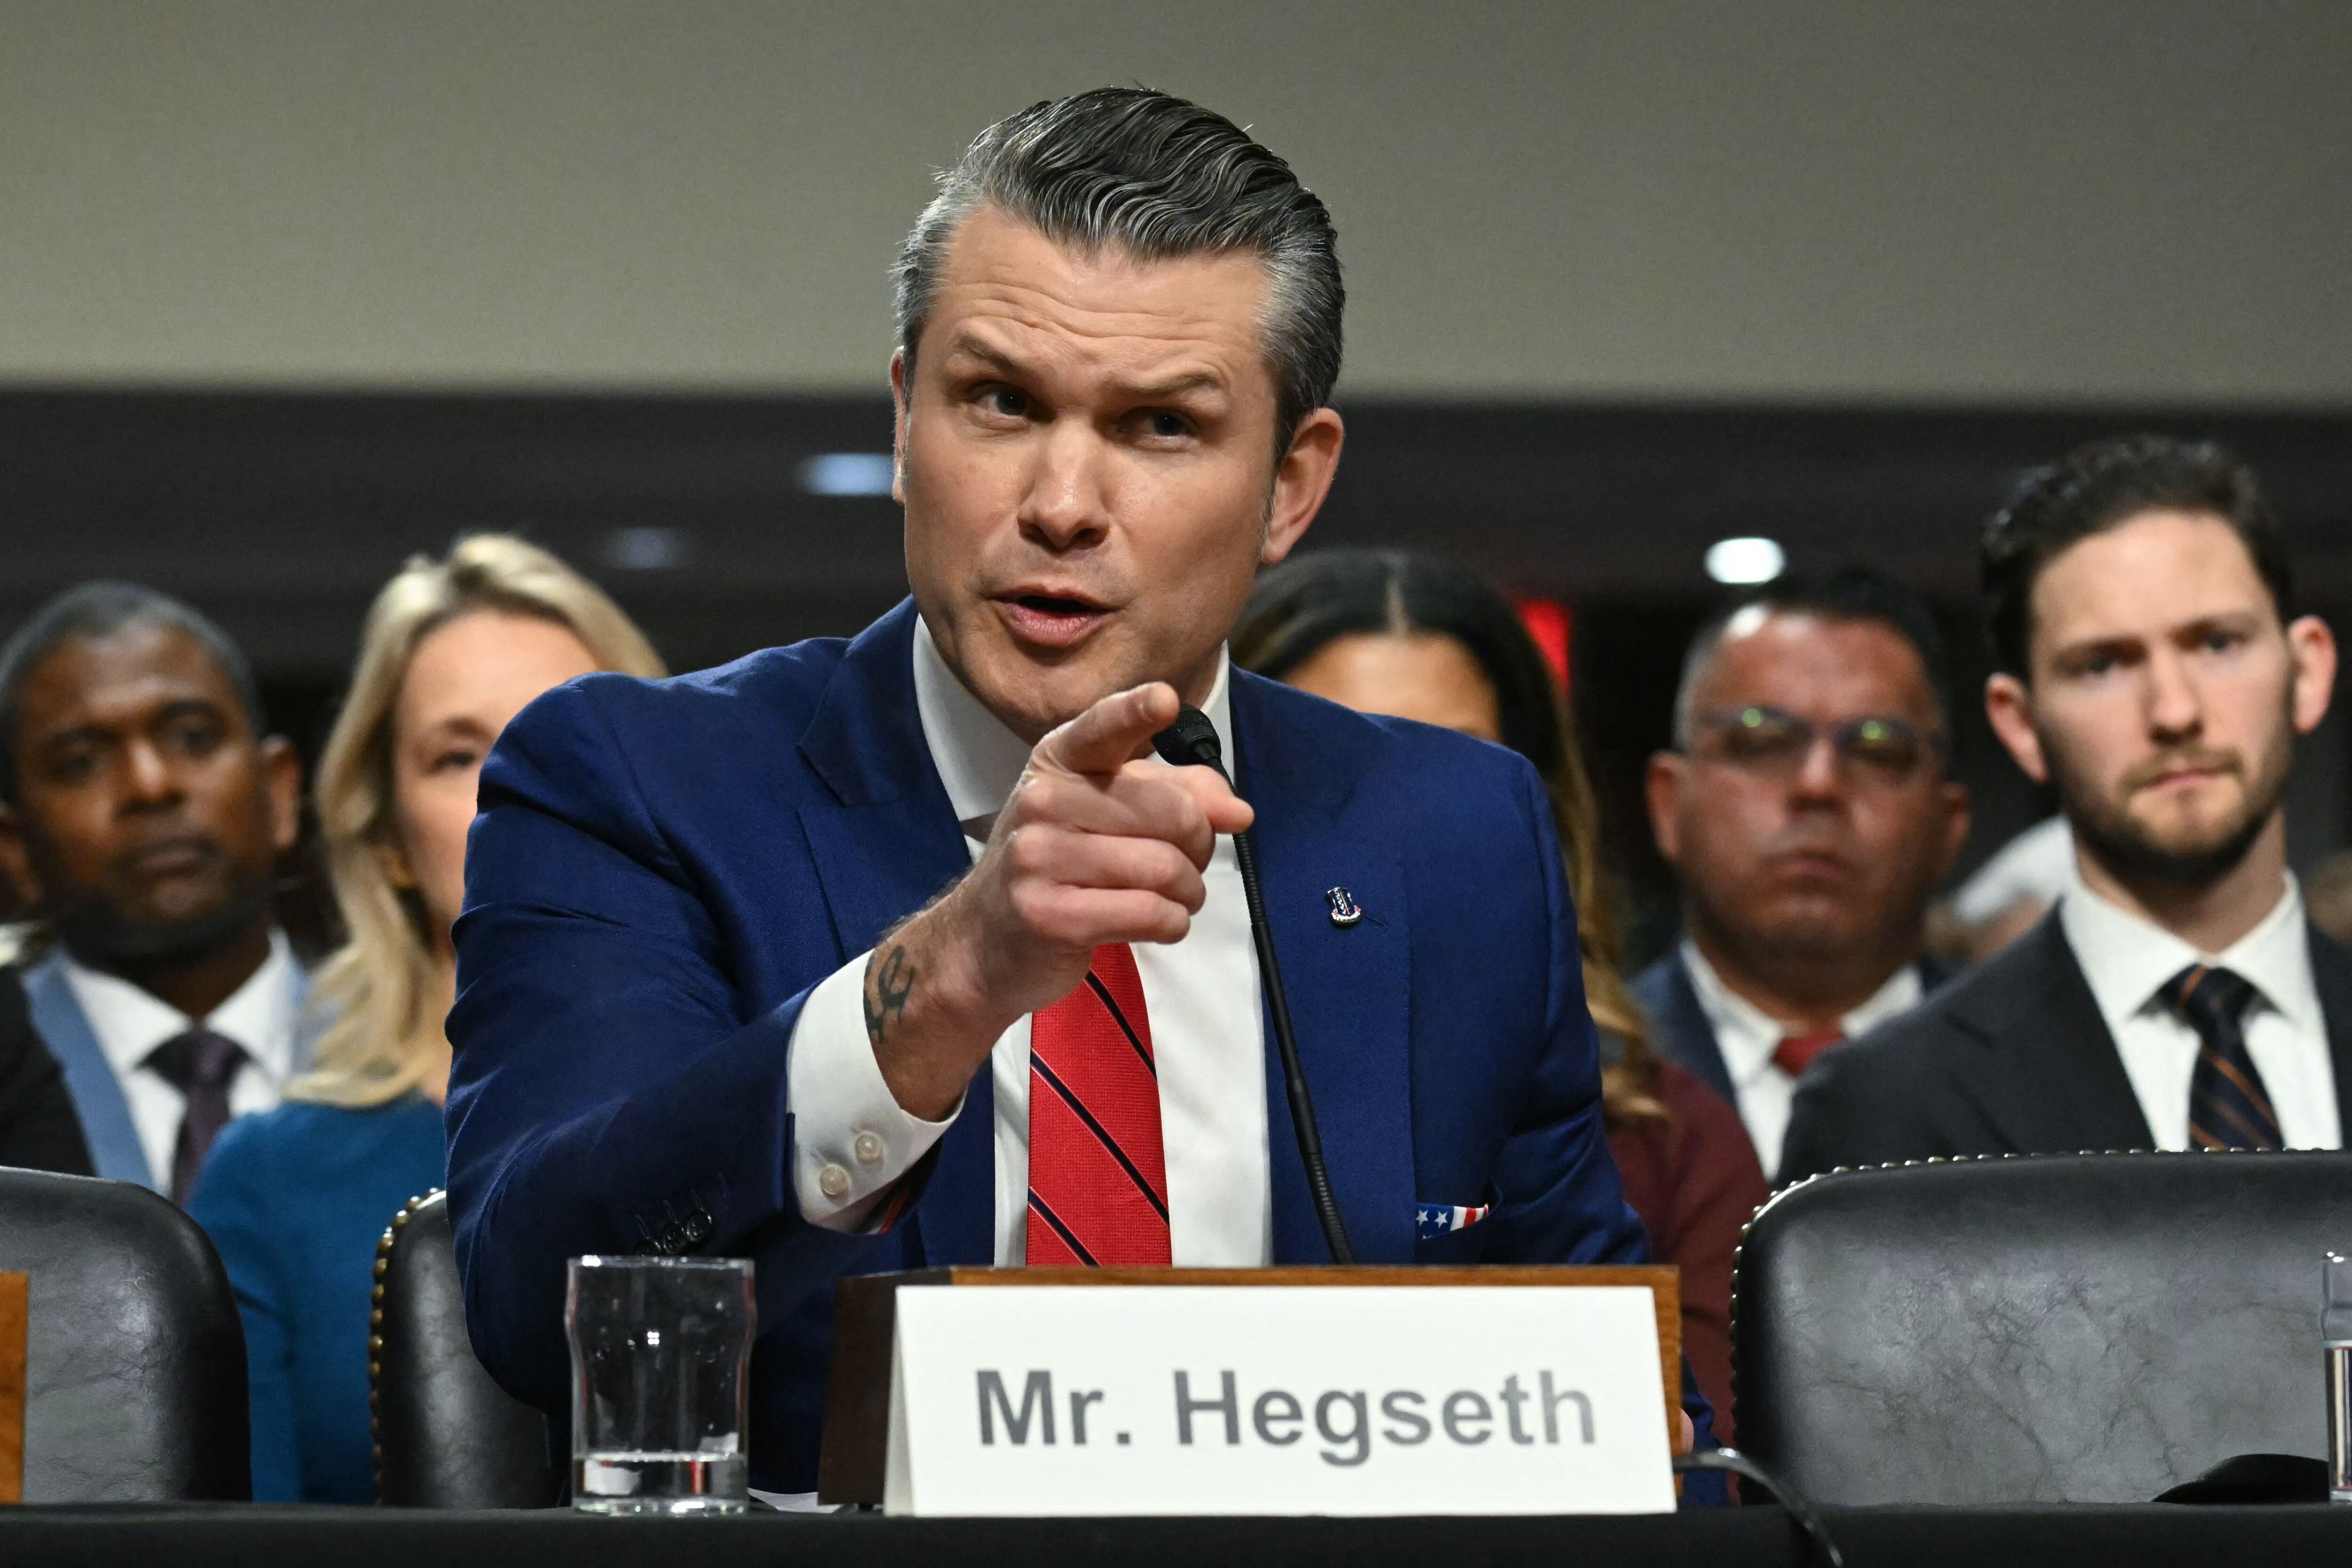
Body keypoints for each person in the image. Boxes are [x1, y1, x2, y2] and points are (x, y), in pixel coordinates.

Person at [444, 87, 1710, 1503]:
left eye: (1160, 425)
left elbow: (1609, 1405)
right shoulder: (636, 780)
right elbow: (528, 1295)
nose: (1061, 500)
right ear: (906, 413)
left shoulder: (1451, 831)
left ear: (1291, 485)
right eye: (1001, 401)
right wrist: (954, 974)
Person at [1233, 547, 1768, 1441]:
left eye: (1446, 778)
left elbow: (1702, 1466)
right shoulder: (1150, 1064)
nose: (1392, 838)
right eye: (1345, 774)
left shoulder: (1667, 1135)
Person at [186, 538, 664, 1503]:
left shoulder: (789, 1108)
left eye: (570, 733)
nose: (522, 783)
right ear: (389, 841)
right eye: (459, 753)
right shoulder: (270, 1180)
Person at [1781, 435, 2351, 1180]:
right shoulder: (1886, 1108)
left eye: (2217, 643)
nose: (2175, 710)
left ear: (2306, 672)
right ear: (2021, 724)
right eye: (2103, 665)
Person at [1634, 568, 1971, 1179]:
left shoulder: (2049, 1068)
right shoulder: (1572, 1077)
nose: (1819, 785)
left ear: (1950, 825)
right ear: (1667, 806)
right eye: (1762, 742)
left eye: (1877, 748)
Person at [0, 584, 305, 1202]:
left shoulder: (432, 1059)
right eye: (81, 762)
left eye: (193, 737)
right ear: (15, 849)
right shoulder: (10, 1083)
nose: (150, 783)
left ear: (280, 791)